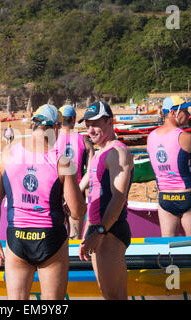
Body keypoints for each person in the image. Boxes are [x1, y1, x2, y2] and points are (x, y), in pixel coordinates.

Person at [0, 104, 86, 300]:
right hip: (50, 237)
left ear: (33, 126)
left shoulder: (7, 155)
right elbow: (77, 211)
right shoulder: (62, 161)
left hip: (17, 237)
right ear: (56, 128)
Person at [77, 101, 135, 300]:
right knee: (108, 293)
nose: (91, 130)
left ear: (110, 122)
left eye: (96, 124)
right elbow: (87, 187)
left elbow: (118, 198)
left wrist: (99, 232)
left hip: (110, 230)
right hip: (98, 228)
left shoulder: (118, 153)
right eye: (87, 125)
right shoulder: (100, 152)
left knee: (114, 295)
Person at [147, 96, 191, 237]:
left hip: (165, 197)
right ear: (173, 113)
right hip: (187, 195)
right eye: (185, 110)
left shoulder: (151, 136)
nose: (189, 114)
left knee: (168, 249)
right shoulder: (185, 137)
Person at [55, 105, 94, 239]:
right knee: (74, 238)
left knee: (56, 240)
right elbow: (90, 172)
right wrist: (75, 191)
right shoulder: (84, 140)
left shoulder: (51, 140)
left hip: (56, 194)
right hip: (77, 192)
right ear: (73, 119)